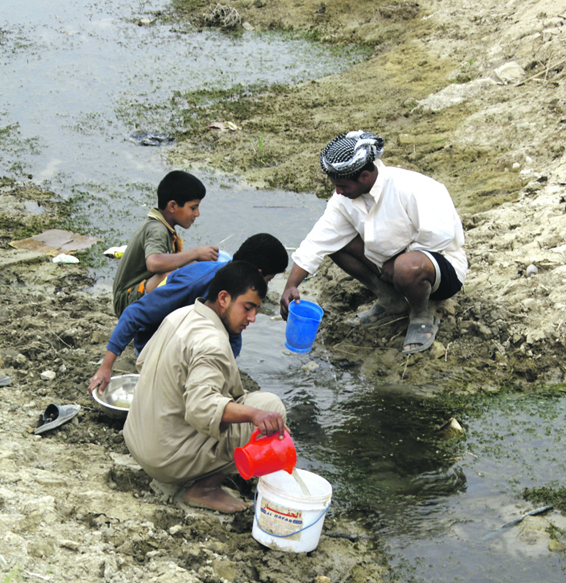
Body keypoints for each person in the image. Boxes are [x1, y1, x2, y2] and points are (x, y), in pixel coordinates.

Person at [280, 130, 467, 354]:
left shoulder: (413, 188)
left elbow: (439, 235)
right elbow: (317, 241)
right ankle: (391, 301)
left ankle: (421, 314)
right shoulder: (343, 200)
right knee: (336, 243)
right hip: (392, 268)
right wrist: (291, 285)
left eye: (343, 186)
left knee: (406, 267)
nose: (338, 191)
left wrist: (399, 260)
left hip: (439, 270)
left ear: (365, 177)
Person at [123, 261, 288, 513]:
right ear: (224, 298)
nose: (252, 318)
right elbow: (201, 408)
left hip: (136, 439)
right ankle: (205, 489)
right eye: (248, 307)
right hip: (164, 460)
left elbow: (142, 363)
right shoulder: (212, 341)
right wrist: (255, 415)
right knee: (270, 406)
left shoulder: (180, 314)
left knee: (227, 400)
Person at [88, 234, 288, 394]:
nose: (252, 316)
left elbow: (232, 341)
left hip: (191, 346)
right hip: (157, 348)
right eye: (268, 280)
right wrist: (106, 367)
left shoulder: (239, 298)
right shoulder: (195, 281)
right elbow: (134, 315)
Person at [112, 170, 220, 318]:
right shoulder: (157, 229)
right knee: (173, 275)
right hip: (126, 302)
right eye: (193, 208)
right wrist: (195, 253)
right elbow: (154, 263)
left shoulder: (163, 226)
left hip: (134, 295)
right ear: (172, 206)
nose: (197, 214)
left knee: (190, 268)